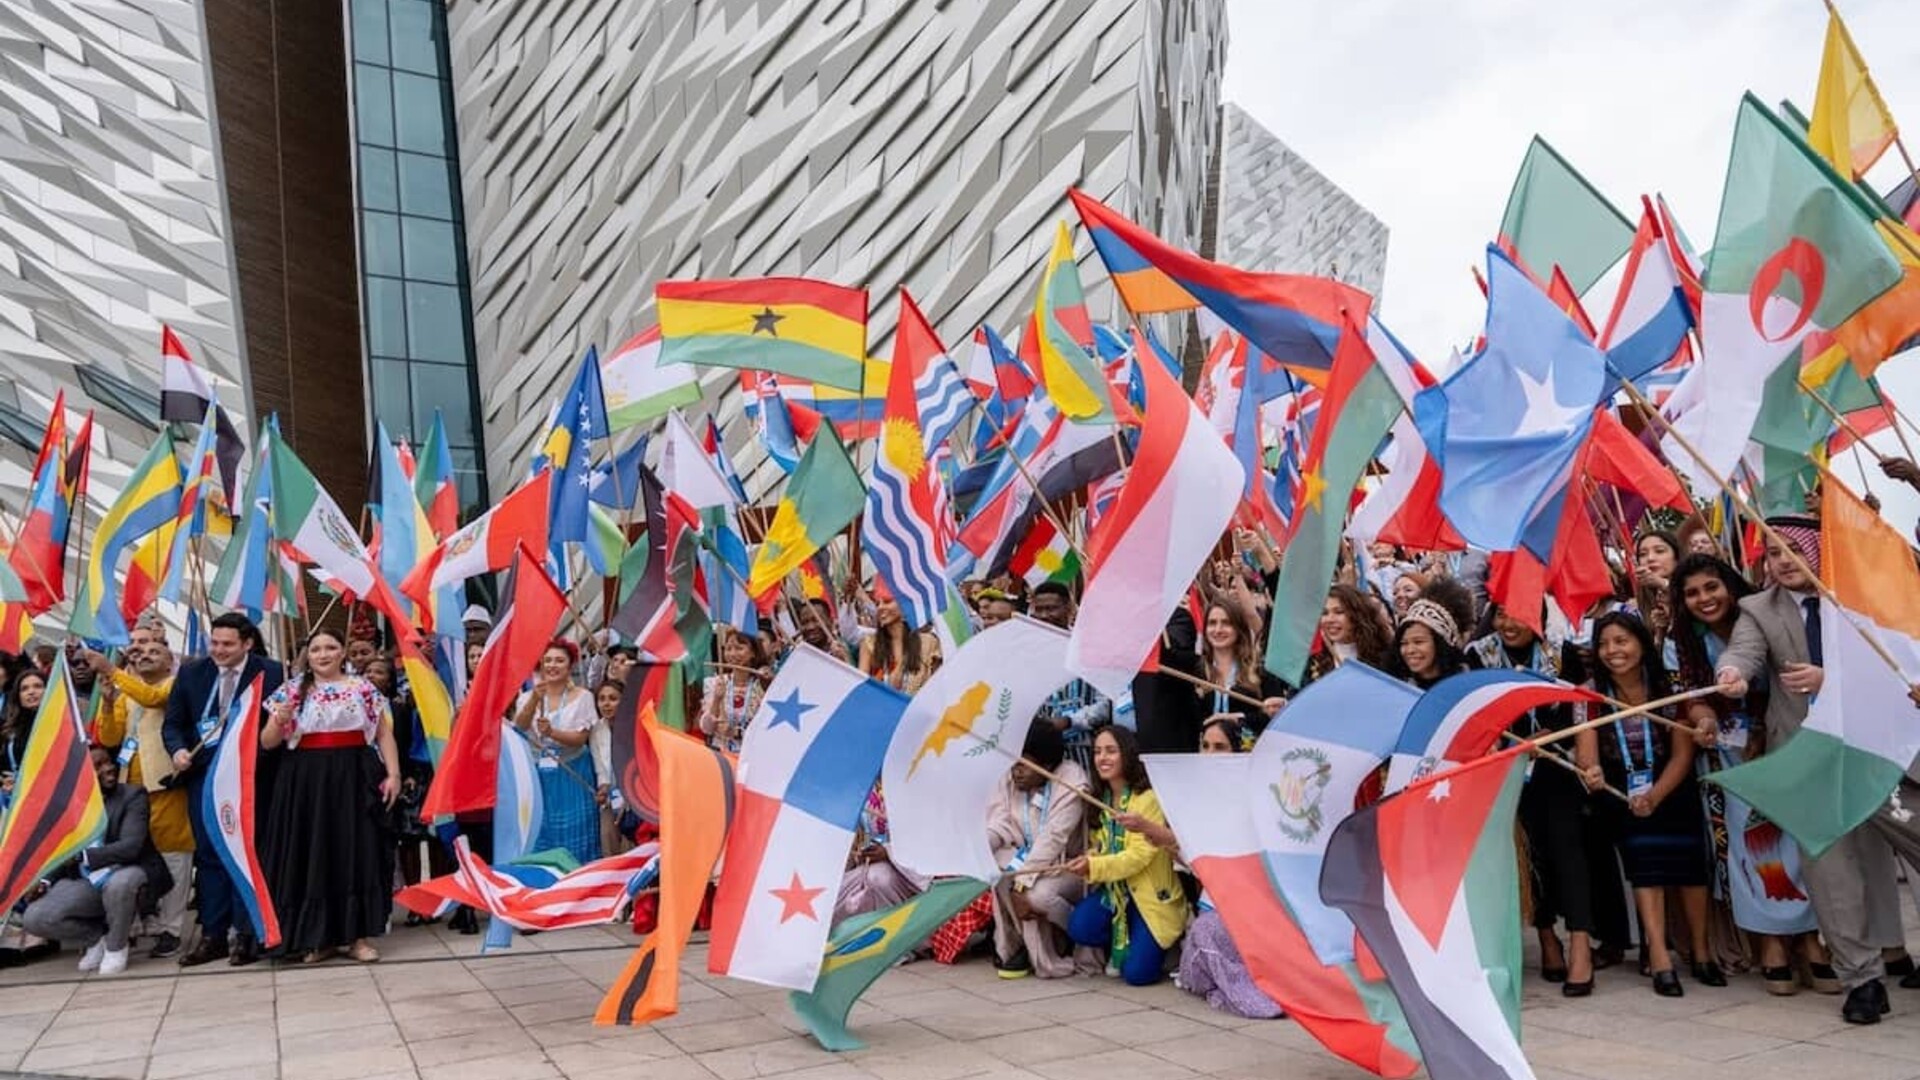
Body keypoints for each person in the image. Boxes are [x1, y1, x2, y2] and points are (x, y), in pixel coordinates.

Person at [1714, 516, 1920, 1024]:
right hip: (1814, 760)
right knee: (1831, 874)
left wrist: (1831, 679)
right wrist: (1733, 674)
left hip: (1879, 753)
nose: (1782, 562)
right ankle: (1863, 981)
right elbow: (1744, 651)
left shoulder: (1861, 600)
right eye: (1774, 554)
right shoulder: (1758, 608)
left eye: (1792, 551)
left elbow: (1900, 663)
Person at [1668, 553, 1826, 993]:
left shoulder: (1763, 616)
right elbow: (1690, 695)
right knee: (1748, 852)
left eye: (1711, 587)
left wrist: (1760, 728)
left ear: (1730, 585)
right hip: (1724, 762)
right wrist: (1703, 718)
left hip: (1779, 749)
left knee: (1795, 845)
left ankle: (1810, 940)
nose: (1704, 599)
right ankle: (1771, 944)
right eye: (1693, 593)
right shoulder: (1679, 639)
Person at [1466, 604, 1622, 995]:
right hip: (1505, 770)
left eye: (1516, 613)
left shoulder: (1563, 652)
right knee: (1528, 855)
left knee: (1568, 852)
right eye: (1500, 615)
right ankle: (1547, 937)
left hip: (1558, 767)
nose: (1508, 623)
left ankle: (1580, 945)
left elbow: (1581, 711)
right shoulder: (1478, 655)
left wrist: (1572, 754)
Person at [1574, 612, 1718, 997]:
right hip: (1624, 794)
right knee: (1645, 867)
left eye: (1621, 641)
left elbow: (1681, 755)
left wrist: (1655, 795)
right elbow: (1586, 754)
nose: (1612, 651)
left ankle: (1702, 951)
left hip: (1672, 789)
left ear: (1640, 642)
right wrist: (1591, 773)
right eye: (1604, 643)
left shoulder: (1668, 687)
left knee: (1690, 866)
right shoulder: (1590, 694)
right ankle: (1658, 954)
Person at [260, 629, 401, 963]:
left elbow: (383, 734)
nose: (323, 654)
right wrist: (278, 722)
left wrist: (393, 773)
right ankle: (317, 937)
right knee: (313, 851)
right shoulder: (291, 690)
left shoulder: (363, 688)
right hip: (305, 780)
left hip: (354, 775)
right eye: (316, 649)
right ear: (307, 655)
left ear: (343, 653)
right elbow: (267, 743)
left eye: (331, 648)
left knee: (355, 850)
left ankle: (357, 936)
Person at [162, 612, 284, 967]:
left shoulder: (270, 671)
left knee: (248, 851)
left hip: (251, 775)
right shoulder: (191, 672)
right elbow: (173, 724)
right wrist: (178, 750)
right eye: (215, 643)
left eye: (228, 644)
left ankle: (247, 934)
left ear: (247, 643)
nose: (219, 650)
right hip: (204, 776)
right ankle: (213, 934)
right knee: (210, 853)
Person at [85, 628, 192, 959]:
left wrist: (110, 670)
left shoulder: (174, 684)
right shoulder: (125, 691)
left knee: (174, 856)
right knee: (129, 855)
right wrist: (105, 700)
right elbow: (111, 734)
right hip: (129, 790)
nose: (144, 654)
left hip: (164, 786)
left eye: (153, 650)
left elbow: (154, 699)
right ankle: (130, 924)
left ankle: (171, 929)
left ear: (170, 660)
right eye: (139, 650)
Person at [21, 744, 173, 975]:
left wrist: (82, 856)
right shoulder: (72, 805)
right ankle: (97, 938)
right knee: (35, 918)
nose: (109, 768)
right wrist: (44, 882)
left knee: (120, 884)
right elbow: (63, 849)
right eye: (98, 766)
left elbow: (131, 847)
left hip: (132, 871)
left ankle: (116, 947)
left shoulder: (133, 795)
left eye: (108, 762)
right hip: (89, 880)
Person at [1065, 726, 1188, 985]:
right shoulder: (1101, 798)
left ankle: (1155, 947)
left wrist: (1093, 866)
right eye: (1097, 752)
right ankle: (1128, 940)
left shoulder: (1147, 799)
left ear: (1128, 754)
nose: (1102, 758)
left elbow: (1138, 856)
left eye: (1111, 751)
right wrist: (1090, 856)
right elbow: (1100, 845)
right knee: (1080, 926)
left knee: (1137, 976)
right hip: (1115, 892)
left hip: (1151, 896)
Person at [988, 721, 1087, 979]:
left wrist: (1021, 884)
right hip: (1027, 862)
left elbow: (1053, 839)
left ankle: (1071, 938)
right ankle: (1023, 948)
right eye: (1013, 762)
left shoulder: (1070, 780)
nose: (1016, 771)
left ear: (1046, 765)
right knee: (998, 873)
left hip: (1068, 867)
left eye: (1024, 764)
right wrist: (980, 845)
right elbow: (1000, 823)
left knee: (1037, 896)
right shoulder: (1009, 780)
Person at [512, 639, 606, 865]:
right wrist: (534, 699)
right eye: (548, 660)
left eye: (559, 660)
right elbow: (520, 727)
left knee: (576, 836)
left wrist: (553, 732)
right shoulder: (527, 696)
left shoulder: (583, 697)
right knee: (542, 832)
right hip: (540, 776)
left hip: (573, 773)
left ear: (570, 665)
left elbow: (581, 739)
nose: (553, 665)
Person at [1172, 603, 1286, 745]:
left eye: (1226, 623)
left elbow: (1276, 720)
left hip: (1250, 758)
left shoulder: (1260, 672)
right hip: (1204, 758)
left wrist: (1240, 719)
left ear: (1239, 628)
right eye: (1212, 623)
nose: (1218, 630)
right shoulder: (1193, 671)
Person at [1303, 584, 1395, 683]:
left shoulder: (1385, 657)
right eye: (1324, 613)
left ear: (1358, 616)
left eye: (1339, 612)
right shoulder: (1313, 661)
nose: (1329, 620)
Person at [700, 628, 769, 754]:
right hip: (721, 756)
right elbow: (707, 729)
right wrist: (717, 699)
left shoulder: (763, 685)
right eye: (728, 648)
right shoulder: (714, 683)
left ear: (753, 652)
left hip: (753, 756)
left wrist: (737, 733)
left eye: (739, 648)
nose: (732, 654)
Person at [857, 592, 934, 694]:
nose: (880, 607)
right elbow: (861, 688)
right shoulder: (869, 644)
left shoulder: (928, 643)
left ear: (904, 605)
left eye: (887, 602)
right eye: (877, 604)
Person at [1390, 593, 1469, 689]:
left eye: (1418, 642)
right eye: (1404, 643)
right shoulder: (1397, 688)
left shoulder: (1468, 684)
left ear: (1439, 644)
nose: (1410, 650)